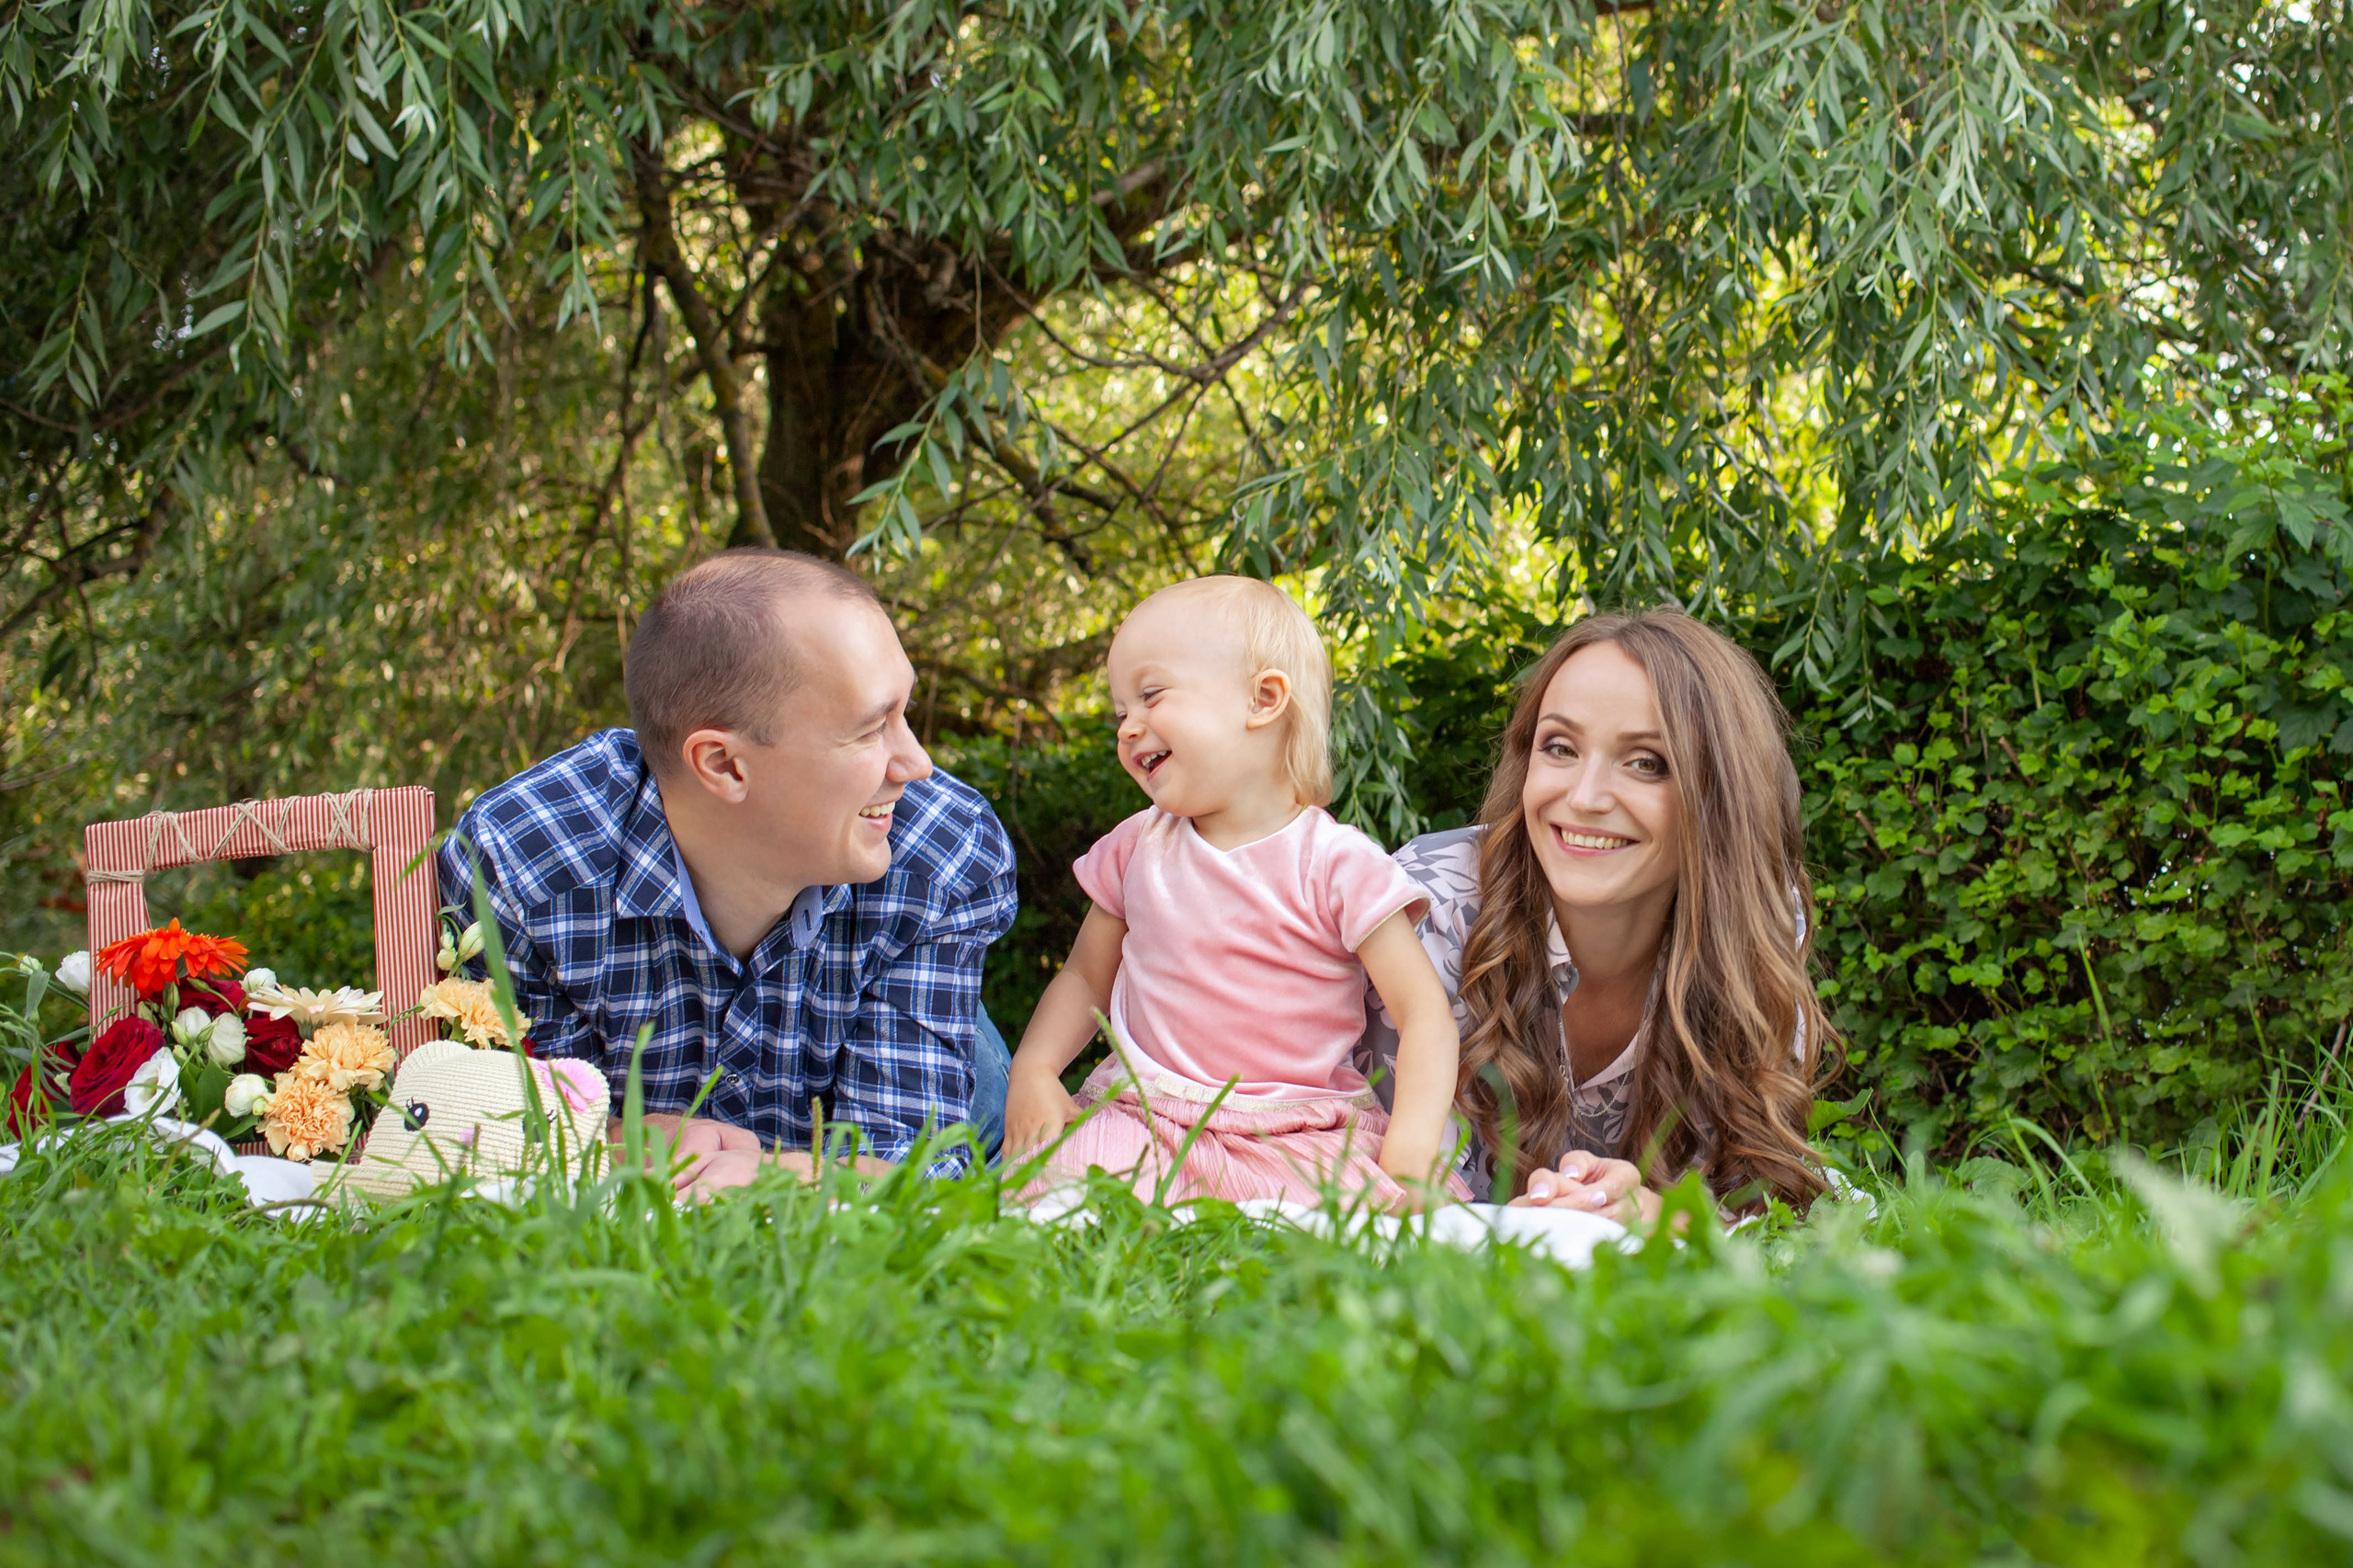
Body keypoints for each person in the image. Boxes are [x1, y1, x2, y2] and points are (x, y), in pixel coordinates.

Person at [438, 550, 1017, 1196]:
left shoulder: (945, 850)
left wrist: (756, 1176)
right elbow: (518, 1141)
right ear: (723, 765)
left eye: (903, 714)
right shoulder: (524, 870)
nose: (916, 763)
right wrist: (602, 1139)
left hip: (974, 1130)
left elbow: (908, 1171)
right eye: (869, 730)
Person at [1004, 577, 1469, 1209]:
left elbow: (1423, 1016)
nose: (1127, 727)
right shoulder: (1138, 847)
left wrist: (1412, 1155)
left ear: (1263, 699)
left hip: (1300, 1131)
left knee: (1372, 1229)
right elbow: (1085, 979)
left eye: (1151, 695)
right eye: (1120, 713)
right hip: (1146, 1117)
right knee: (1064, 1194)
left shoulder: (1336, 864)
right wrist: (1033, 1070)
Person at [1359, 608, 1835, 1224]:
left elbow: (1767, 1203)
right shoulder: (1428, 910)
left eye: (1646, 762)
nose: (1584, 798)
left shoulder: (1757, 921)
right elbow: (1388, 1199)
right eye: (1559, 747)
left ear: (1720, 794)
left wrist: (1664, 1219)